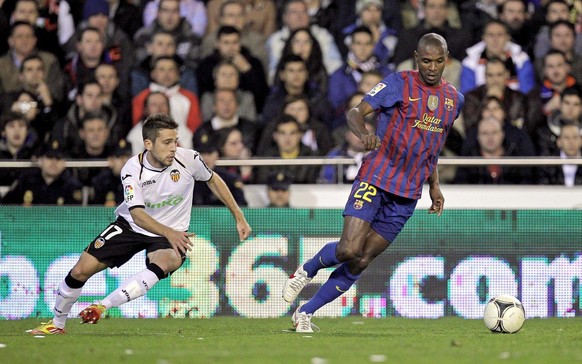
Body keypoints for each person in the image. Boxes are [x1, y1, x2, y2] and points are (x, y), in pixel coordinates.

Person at [282, 33, 464, 333]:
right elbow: (355, 112)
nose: (432, 68)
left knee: (362, 259)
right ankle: (306, 270)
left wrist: (434, 184)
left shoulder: (454, 100)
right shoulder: (397, 84)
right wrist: (363, 132)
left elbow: (433, 145)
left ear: (447, 59)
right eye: (427, 61)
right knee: (348, 249)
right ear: (417, 58)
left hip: (407, 193)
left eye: (439, 61)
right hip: (376, 177)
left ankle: (305, 312)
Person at [30, 113, 252, 335]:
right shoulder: (133, 169)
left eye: (175, 141)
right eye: (166, 142)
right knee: (80, 271)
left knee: (168, 261)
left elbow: (212, 179)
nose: (173, 148)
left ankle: (102, 306)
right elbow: (137, 215)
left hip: (169, 234)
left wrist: (238, 216)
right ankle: (57, 324)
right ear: (148, 144)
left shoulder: (189, 159)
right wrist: (171, 233)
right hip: (132, 227)